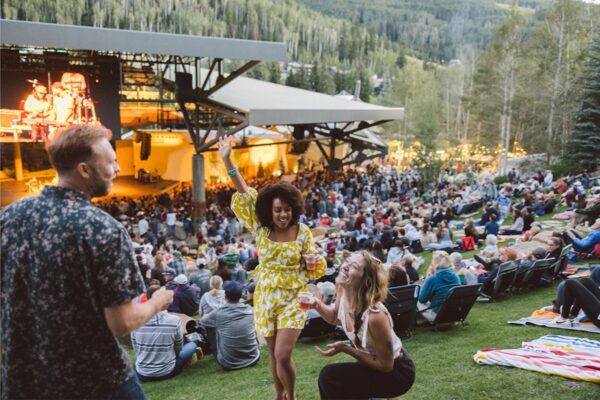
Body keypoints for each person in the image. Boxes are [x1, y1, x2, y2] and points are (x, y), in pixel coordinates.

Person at [0, 124, 173, 399]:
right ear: (84, 170)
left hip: (24, 378)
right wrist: (158, 301)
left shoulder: (9, 217)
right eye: (111, 162)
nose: (117, 168)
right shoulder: (102, 229)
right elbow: (123, 322)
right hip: (95, 380)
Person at [220, 135, 326, 400]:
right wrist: (227, 160)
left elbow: (313, 265)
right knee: (272, 352)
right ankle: (278, 394)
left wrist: (310, 260)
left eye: (287, 210)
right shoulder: (261, 227)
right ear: (270, 209)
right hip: (266, 296)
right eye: (278, 210)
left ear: (294, 209)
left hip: (293, 297)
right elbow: (245, 193)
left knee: (283, 353)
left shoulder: (302, 231)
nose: (283, 215)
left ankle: (292, 395)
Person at [309, 251, 415, 399]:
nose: (345, 266)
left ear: (365, 280)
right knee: (331, 379)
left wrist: (346, 348)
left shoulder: (374, 316)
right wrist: (317, 305)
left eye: (354, 266)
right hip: (372, 365)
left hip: (397, 373)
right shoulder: (343, 289)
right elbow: (335, 317)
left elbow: (386, 365)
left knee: (329, 377)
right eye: (347, 262)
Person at [131, 285, 198, 381]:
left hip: (142, 373)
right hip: (167, 371)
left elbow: (136, 349)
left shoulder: (136, 321)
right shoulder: (174, 320)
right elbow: (178, 348)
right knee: (192, 344)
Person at [199, 281, 261, 370]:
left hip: (228, 363)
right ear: (240, 296)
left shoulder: (218, 313)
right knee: (249, 324)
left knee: (210, 327)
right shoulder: (250, 310)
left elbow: (202, 322)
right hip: (253, 358)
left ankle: (215, 351)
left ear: (225, 297)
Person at [418, 251, 461, 321]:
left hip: (438, 316)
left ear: (435, 263)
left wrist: (423, 286)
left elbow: (422, 299)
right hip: (454, 314)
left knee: (416, 295)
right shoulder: (455, 276)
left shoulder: (432, 279)